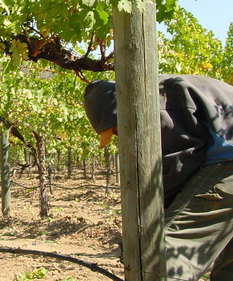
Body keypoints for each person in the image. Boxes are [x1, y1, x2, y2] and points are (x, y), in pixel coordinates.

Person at [83, 74, 233, 281]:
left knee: (164, 257)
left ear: (118, 112)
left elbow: (182, 158)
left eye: (115, 129)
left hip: (228, 163)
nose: (117, 135)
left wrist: (163, 205)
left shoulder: (156, 104)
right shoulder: (161, 92)